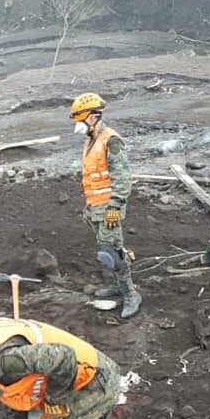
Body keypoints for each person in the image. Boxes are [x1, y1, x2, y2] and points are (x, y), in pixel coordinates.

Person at [71, 92, 142, 318]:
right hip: (96, 206)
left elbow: (122, 178)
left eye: (80, 119)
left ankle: (130, 294)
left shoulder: (110, 140)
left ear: (92, 117)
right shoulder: (92, 139)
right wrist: (90, 206)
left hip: (108, 208)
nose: (78, 125)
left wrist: (114, 207)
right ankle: (119, 285)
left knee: (111, 252)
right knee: (108, 249)